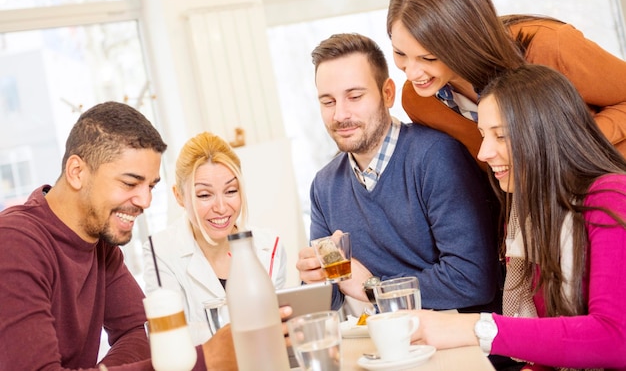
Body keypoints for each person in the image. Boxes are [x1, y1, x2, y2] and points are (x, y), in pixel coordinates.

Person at [0, 101, 269, 371]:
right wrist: (205, 360)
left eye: (150, 186)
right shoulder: (14, 242)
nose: (145, 200)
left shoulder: (101, 246)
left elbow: (135, 331)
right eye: (130, 183)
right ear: (77, 172)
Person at [410, 64, 626, 370]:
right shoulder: (532, 215)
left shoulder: (613, 196)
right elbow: (554, 344)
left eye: (501, 136)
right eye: (484, 135)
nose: (483, 153)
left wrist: (473, 328)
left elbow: (615, 339)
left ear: (547, 135)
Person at [296, 33, 499, 313]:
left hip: (460, 345)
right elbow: (331, 297)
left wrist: (375, 289)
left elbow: (471, 280)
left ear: (387, 93)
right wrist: (314, 279)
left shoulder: (436, 156)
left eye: (354, 97)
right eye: (328, 102)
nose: (340, 114)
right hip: (387, 346)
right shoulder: (325, 186)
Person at [387, 0, 626, 171]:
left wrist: (569, 145)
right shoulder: (419, 101)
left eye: (428, 58)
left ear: (463, 41)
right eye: (400, 53)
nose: (412, 72)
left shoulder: (549, 45)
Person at [143, 131, 287, 344]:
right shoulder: (160, 252)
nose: (221, 208)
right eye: (204, 195)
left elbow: (279, 330)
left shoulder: (270, 248)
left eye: (230, 191)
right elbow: (171, 337)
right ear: (179, 196)